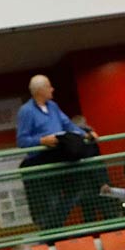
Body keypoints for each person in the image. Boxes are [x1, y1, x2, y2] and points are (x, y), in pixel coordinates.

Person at [15, 75, 92, 231]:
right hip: (42, 160)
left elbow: (68, 125)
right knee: (52, 201)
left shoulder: (53, 107)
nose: (52, 89)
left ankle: (53, 227)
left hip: (60, 156)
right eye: (49, 86)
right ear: (40, 90)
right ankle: (51, 231)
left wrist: (85, 134)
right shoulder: (26, 111)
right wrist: (42, 140)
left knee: (77, 190)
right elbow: (22, 141)